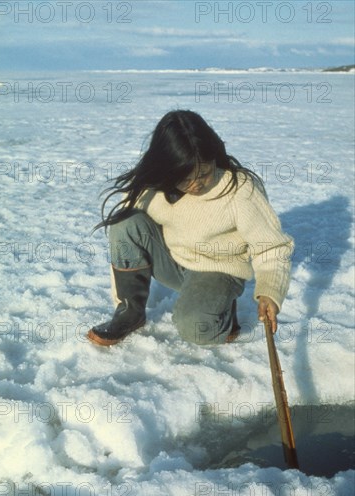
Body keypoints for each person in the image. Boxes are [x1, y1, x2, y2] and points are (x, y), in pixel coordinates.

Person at [87, 110, 294, 347]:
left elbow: (272, 246)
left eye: (204, 173)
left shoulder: (240, 190)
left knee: (195, 329)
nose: (196, 184)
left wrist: (270, 290)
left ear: (213, 157)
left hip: (219, 269)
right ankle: (129, 314)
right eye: (184, 179)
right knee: (125, 223)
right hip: (176, 262)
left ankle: (223, 314)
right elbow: (123, 234)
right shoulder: (157, 187)